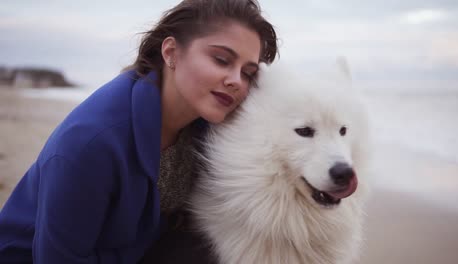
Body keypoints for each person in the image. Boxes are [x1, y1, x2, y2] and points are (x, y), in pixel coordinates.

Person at [0, 0, 278, 263]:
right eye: (221, 59)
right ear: (171, 53)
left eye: (248, 73)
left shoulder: (206, 125)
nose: (235, 81)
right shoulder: (92, 143)